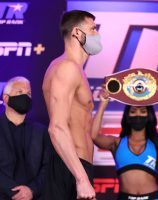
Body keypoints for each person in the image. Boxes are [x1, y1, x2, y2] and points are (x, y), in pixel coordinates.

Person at [42, 10, 102, 200]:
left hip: (78, 166)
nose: (97, 34)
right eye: (93, 29)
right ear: (77, 33)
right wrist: (81, 179)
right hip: (68, 168)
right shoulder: (66, 67)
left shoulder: (76, 70)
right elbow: (57, 128)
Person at [91, 89, 158, 200]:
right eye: (133, 111)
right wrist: (103, 103)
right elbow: (94, 136)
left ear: (149, 116)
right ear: (127, 116)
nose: (138, 114)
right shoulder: (116, 143)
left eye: (143, 111)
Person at [0, 76, 51, 200]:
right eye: (20, 92)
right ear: (6, 99)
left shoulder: (41, 131)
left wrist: (31, 190)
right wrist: (13, 192)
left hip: (34, 196)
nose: (26, 96)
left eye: (29, 93)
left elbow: (48, 166)